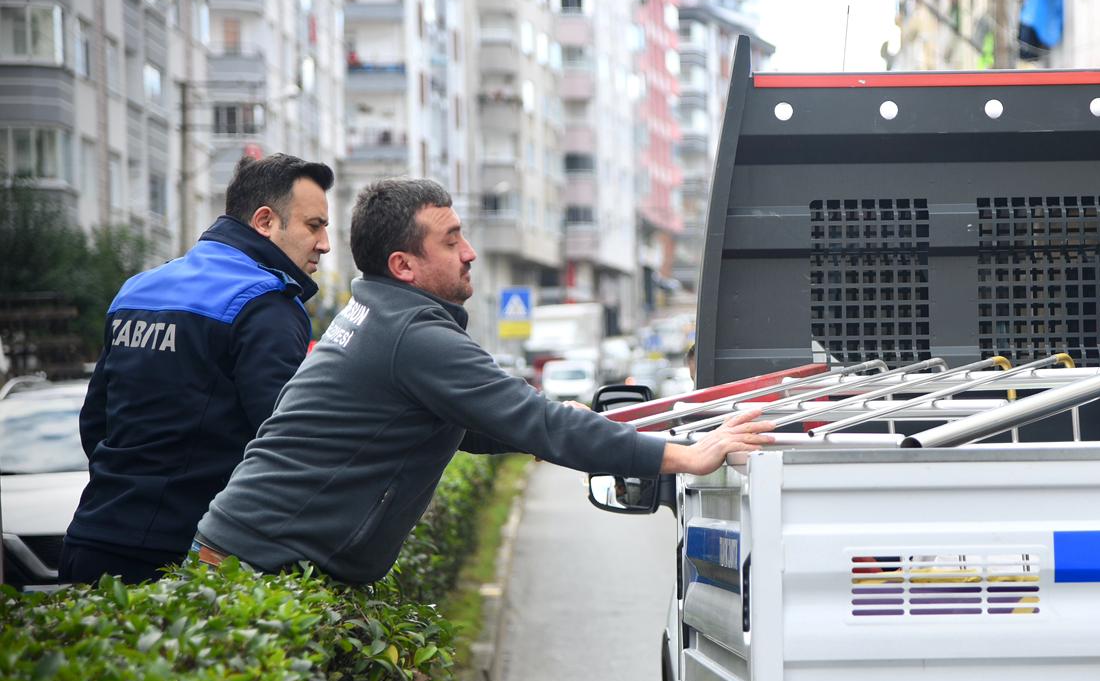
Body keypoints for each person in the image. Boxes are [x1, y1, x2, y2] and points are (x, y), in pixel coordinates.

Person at [193, 179, 772, 585]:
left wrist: (579, 422)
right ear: (403, 266)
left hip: (249, 555)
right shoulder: (412, 336)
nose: (469, 253)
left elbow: (480, 425)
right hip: (254, 569)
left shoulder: (381, 314)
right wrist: (690, 457)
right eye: (450, 241)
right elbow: (537, 422)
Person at [61, 153, 334, 583]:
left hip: (92, 537)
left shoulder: (138, 289)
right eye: (314, 226)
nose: (324, 244)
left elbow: (96, 422)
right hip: (187, 558)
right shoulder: (266, 304)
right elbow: (285, 444)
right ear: (265, 222)